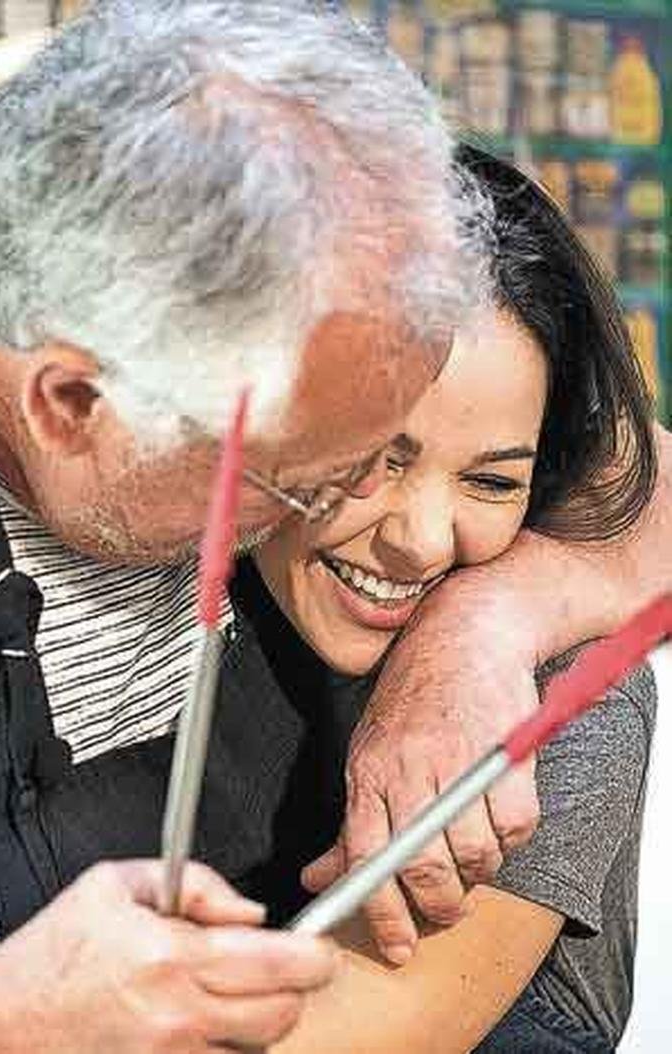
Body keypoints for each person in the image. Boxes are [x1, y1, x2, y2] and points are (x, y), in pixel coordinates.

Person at [0, 0, 668, 1047]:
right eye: (309, 478)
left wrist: (483, 629)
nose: (396, 531)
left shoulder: (184, 397)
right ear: (71, 405)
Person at [226, 147, 656, 1052]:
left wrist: (481, 625)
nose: (422, 539)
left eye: (493, 483)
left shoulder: (573, 690)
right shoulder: (146, 564)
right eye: (381, 457)